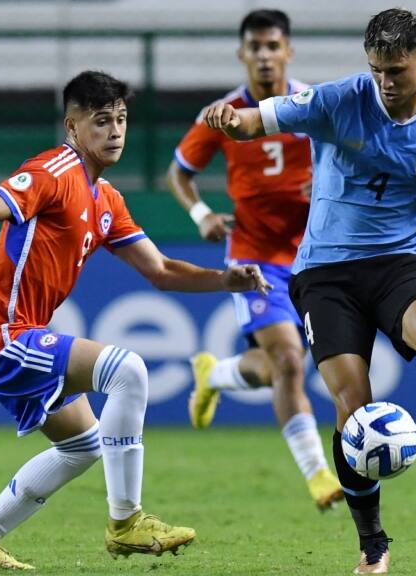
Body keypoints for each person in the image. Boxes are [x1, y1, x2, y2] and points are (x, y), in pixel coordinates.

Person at [203, 8, 416, 574]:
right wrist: (227, 119)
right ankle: (372, 542)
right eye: (377, 69)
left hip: (402, 262)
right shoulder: (338, 100)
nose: (385, 82)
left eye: (397, 71)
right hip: (326, 272)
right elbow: (256, 121)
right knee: (352, 407)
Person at [0, 70, 271, 570]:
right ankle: (127, 522)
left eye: (121, 119)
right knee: (129, 370)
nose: (115, 131)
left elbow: (163, 271)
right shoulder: (52, 172)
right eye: (101, 121)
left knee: (83, 446)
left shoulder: (106, 200)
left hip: (20, 334)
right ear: (73, 126)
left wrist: (226, 279)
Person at [166, 8, 343, 511]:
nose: (264, 56)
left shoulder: (315, 105)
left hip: (316, 256)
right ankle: (319, 477)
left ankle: (215, 375)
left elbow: (353, 156)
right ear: (242, 54)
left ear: (288, 51)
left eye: (273, 46)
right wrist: (200, 213)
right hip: (255, 258)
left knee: (279, 366)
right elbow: (179, 173)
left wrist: (328, 184)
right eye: (255, 47)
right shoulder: (219, 116)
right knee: (289, 361)